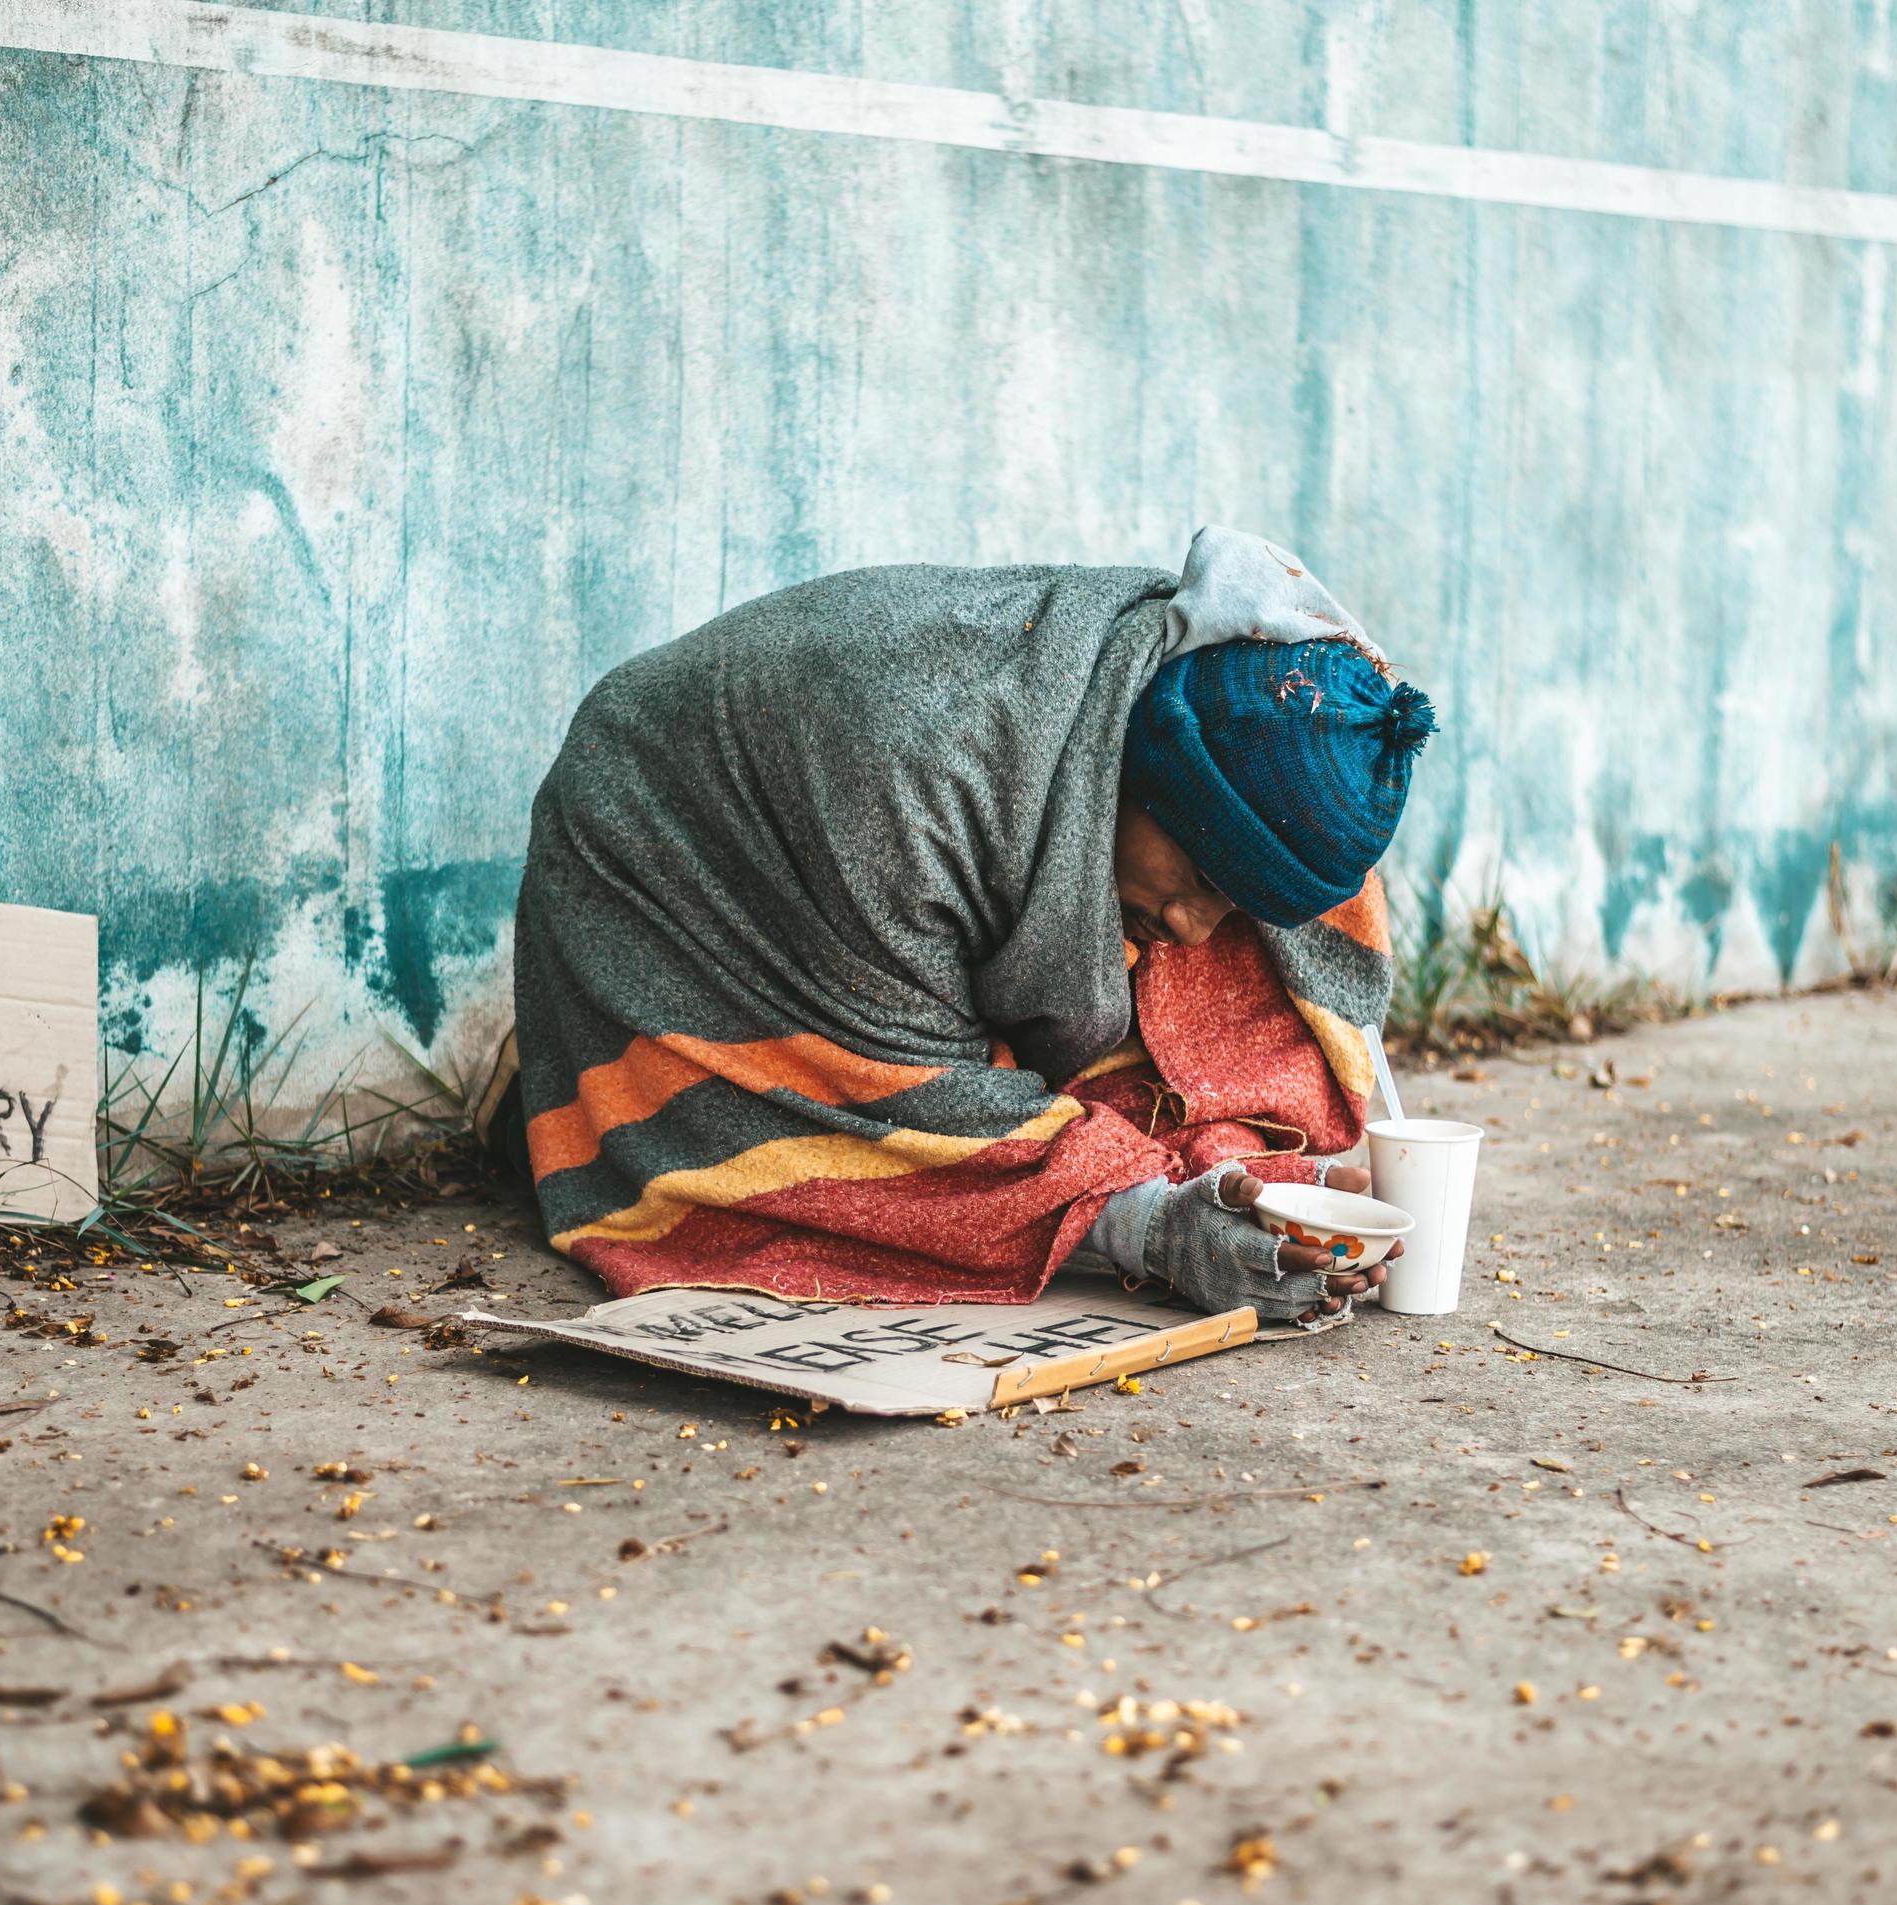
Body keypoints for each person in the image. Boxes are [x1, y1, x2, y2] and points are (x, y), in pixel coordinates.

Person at [484, 527, 1433, 1331]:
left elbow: (1255, 881)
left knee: (1267, 914)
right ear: (1133, 775)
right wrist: (1147, 1226)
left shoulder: (1206, 698)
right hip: (688, 869)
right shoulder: (915, 789)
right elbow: (907, 1101)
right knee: (828, 1161)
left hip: (893, 861)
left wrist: (1234, 1183)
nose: (1190, 928)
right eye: (1193, 881)